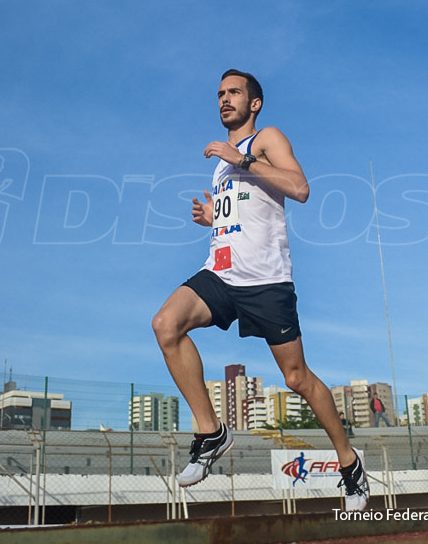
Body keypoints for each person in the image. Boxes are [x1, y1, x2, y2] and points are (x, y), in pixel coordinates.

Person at [151, 69, 369, 511]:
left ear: (254, 103)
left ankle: (350, 465)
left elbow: (300, 189)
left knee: (297, 379)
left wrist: (242, 159)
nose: (223, 100)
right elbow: (248, 214)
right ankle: (211, 431)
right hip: (221, 273)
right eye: (219, 94)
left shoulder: (264, 139)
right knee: (166, 324)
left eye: (233, 93)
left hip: (267, 282)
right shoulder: (220, 168)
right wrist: (215, 218)